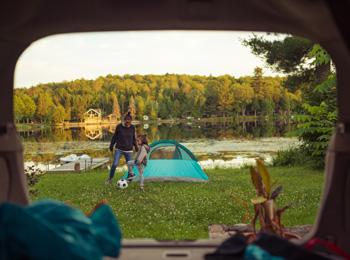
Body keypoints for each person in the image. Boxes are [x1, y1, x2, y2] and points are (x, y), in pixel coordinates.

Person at [105, 112, 138, 185]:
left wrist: (136, 146)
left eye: (129, 123)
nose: (128, 124)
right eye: (126, 122)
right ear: (124, 120)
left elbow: (133, 138)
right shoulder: (119, 127)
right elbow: (114, 137)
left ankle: (130, 180)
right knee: (115, 164)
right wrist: (111, 145)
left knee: (130, 166)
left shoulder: (132, 127)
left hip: (129, 149)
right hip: (119, 149)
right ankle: (110, 178)